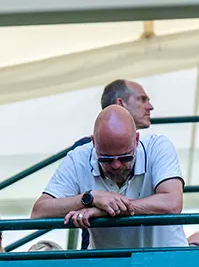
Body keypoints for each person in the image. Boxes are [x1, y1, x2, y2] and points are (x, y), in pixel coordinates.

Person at [31, 105, 184, 249]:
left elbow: (172, 203)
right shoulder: (78, 158)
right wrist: (89, 198)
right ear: (93, 143)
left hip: (165, 261)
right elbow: (38, 213)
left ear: (137, 140)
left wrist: (105, 209)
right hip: (110, 264)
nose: (116, 165)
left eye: (125, 158)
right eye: (106, 159)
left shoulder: (158, 147)